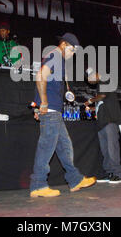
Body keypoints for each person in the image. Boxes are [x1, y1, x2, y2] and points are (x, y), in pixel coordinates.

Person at [30, 33, 96, 197]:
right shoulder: (55, 54)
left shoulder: (59, 59)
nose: (73, 54)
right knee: (46, 148)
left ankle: (75, 179)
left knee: (65, 146)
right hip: (50, 109)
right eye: (72, 50)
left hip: (53, 111)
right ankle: (38, 185)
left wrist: (37, 107)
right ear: (64, 44)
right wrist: (43, 102)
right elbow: (40, 76)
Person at [84, 69, 121, 184]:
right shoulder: (100, 86)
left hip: (110, 121)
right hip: (102, 123)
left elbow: (102, 96)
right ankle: (109, 172)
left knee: (112, 148)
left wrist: (90, 101)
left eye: (90, 80)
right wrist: (92, 108)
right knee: (105, 150)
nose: (90, 83)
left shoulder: (105, 79)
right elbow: (102, 103)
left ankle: (118, 174)